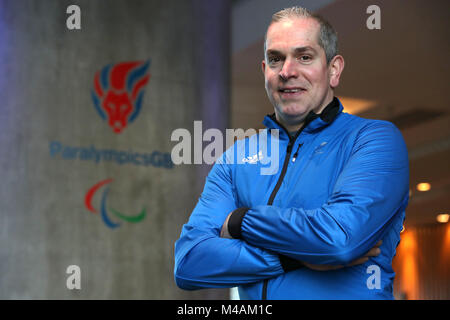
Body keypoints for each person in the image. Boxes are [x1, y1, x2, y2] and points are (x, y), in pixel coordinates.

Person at [174, 6, 409, 299]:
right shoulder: (236, 158)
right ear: (265, 72)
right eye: (276, 59)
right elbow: (189, 263)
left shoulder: (373, 139)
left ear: (333, 70)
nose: (287, 71)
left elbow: (339, 241)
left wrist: (239, 221)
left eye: (304, 57)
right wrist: (293, 257)